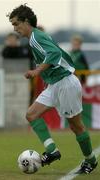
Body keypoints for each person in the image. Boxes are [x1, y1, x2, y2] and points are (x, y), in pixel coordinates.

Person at [8, 4, 98, 174]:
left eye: (16, 24)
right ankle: (52, 151)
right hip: (55, 84)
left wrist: (37, 71)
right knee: (31, 115)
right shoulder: (34, 38)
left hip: (65, 83)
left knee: (76, 126)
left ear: (26, 22)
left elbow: (54, 54)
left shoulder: (35, 37)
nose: (15, 28)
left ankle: (91, 161)